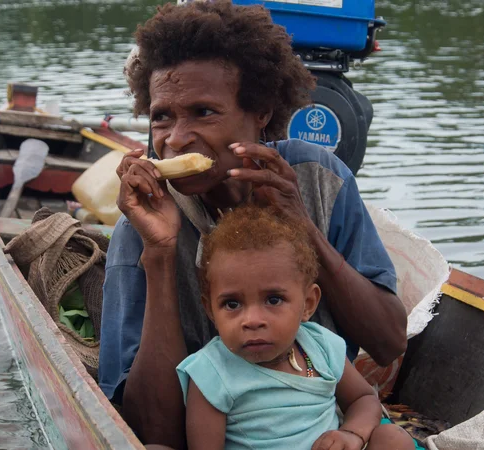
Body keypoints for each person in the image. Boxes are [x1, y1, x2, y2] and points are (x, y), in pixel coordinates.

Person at [99, 1, 408, 447]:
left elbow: (388, 343)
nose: (175, 140)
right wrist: (161, 255)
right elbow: (151, 432)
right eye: (162, 116)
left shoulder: (318, 176)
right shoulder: (144, 221)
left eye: (204, 112)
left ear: (260, 112)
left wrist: (304, 228)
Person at [177, 205, 416, 450]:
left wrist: (352, 434)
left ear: (308, 304)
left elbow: (363, 399)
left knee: (393, 438)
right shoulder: (211, 373)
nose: (252, 320)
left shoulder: (320, 346)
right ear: (210, 310)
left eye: (273, 300)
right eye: (232, 303)